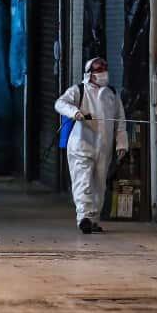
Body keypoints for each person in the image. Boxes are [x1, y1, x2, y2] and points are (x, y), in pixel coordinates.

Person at [54, 57, 128, 234]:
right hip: (81, 145)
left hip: (103, 148)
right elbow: (60, 103)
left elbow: (120, 121)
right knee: (83, 182)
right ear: (90, 74)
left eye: (104, 69)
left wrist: (121, 143)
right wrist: (76, 112)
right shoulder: (79, 91)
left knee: (99, 185)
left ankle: (94, 220)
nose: (103, 73)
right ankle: (84, 218)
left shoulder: (112, 94)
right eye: (98, 70)